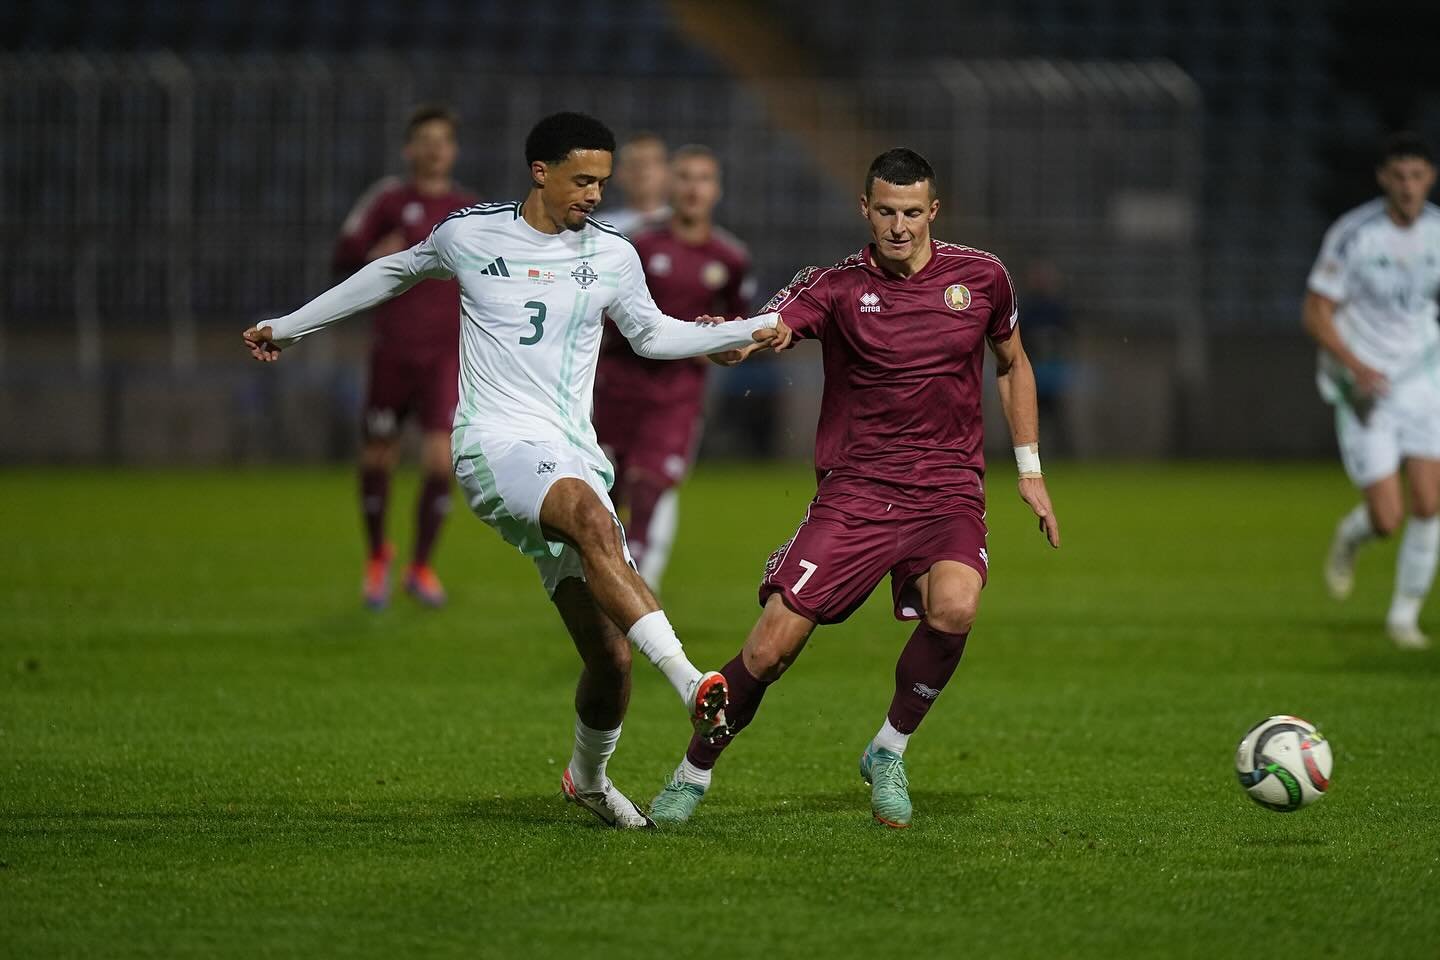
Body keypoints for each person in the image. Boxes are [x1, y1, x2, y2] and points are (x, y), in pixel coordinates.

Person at [243, 112, 793, 828]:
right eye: (583, 179)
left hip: (573, 453)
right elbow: (393, 272)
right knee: (593, 519)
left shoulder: (612, 254)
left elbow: (653, 334)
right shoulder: (471, 234)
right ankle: (693, 684)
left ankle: (588, 779)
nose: (595, 194)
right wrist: (290, 327)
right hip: (494, 445)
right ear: (541, 172)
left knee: (610, 660)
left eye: (602, 182)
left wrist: (746, 330)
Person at [648, 148, 1061, 829]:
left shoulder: (982, 277)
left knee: (956, 607)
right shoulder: (834, 286)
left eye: (912, 213)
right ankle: (693, 771)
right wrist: (732, 341)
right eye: (886, 212)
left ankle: (888, 749)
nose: (899, 227)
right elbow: (767, 329)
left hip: (947, 490)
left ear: (933, 211)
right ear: (865, 210)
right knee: (768, 652)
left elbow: (1012, 363)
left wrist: (1030, 469)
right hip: (857, 493)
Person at [332, 104, 477, 610]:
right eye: (426, 141)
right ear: (409, 149)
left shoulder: (468, 211)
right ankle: (378, 555)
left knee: (440, 460)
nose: (436, 150)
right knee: (378, 454)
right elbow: (344, 252)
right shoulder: (389, 200)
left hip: (446, 356)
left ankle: (420, 566)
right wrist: (369, 255)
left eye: (444, 141)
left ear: (454, 151)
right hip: (393, 350)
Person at [593, 144, 755, 590]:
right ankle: (604, 577)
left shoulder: (730, 258)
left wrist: (727, 343)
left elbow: (738, 323)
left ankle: (637, 584)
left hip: (678, 390)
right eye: (685, 177)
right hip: (621, 383)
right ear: (670, 183)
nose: (693, 188)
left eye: (703, 179)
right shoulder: (639, 245)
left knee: (649, 483)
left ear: (716, 190)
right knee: (607, 490)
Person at [1308, 132, 1440, 651]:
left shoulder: (1437, 232)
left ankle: (1404, 617)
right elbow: (1315, 311)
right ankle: (1352, 535)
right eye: (1399, 176)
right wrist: (1354, 364)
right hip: (1366, 386)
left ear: (1429, 178)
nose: (1408, 186)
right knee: (1388, 518)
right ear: (1384, 178)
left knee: (1429, 501)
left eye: (1417, 176)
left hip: (1423, 377)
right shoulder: (1354, 234)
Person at [602, 132, 670, 236]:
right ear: (618, 173)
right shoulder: (598, 229)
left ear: (667, 171)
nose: (643, 170)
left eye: (651, 162)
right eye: (634, 163)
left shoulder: (687, 225)